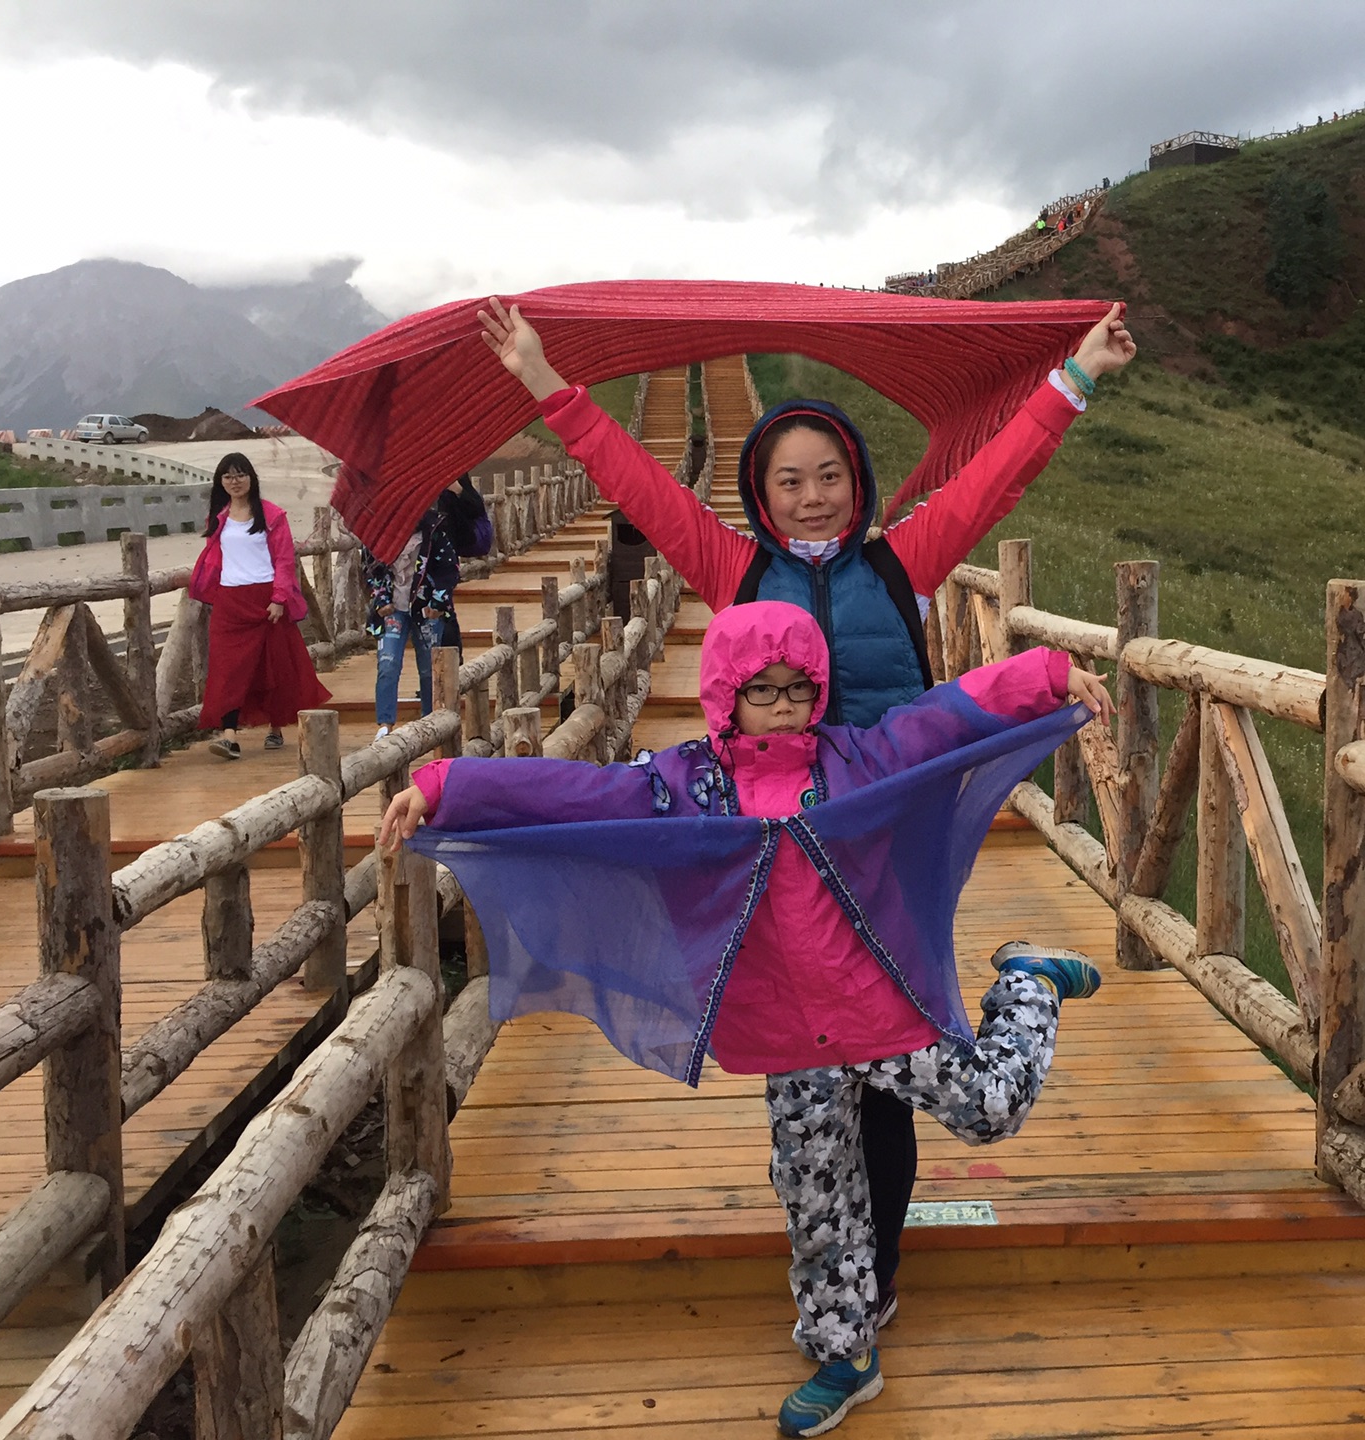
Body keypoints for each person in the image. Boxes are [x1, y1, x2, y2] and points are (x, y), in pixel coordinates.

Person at [476, 291, 1134, 1340]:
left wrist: (1080, 374)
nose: (814, 497)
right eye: (790, 480)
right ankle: (844, 1266)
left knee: (892, 1058)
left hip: (892, 835)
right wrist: (545, 380)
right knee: (812, 1061)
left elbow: (998, 476)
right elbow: (635, 481)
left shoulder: (900, 562)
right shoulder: (735, 569)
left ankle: (881, 1270)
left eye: (830, 476)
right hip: (777, 851)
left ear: (857, 482)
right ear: (760, 492)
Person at [379, 602, 1112, 1435]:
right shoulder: (684, 787)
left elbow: (944, 717)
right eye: (763, 691)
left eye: (800, 688)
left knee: (990, 1108)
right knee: (817, 1197)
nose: (785, 706)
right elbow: (577, 793)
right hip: (786, 1034)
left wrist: (1046, 675)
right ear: (726, 694)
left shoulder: (858, 757)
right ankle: (846, 1354)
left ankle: (1027, 981)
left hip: (878, 1007)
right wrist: (447, 787)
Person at [188, 453, 330, 760]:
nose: (235, 481)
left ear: (251, 478)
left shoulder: (272, 515)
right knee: (226, 668)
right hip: (230, 602)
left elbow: (284, 560)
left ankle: (275, 728)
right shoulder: (218, 518)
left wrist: (279, 598)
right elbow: (214, 559)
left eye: (240, 475)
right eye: (228, 476)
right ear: (220, 482)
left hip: (266, 601)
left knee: (272, 666)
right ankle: (229, 736)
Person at [362, 503, 459, 740]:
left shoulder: (434, 532)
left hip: (425, 609)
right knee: (387, 664)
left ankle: (430, 720)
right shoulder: (377, 535)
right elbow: (370, 570)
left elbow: (449, 570)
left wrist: (438, 602)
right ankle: (385, 725)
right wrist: (381, 599)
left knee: (428, 668)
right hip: (393, 609)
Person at [434, 474, 492, 650]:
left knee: (444, 607)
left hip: (445, 554)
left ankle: (452, 654)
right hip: (424, 554)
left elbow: (476, 508)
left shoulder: (456, 478)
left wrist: (458, 490)